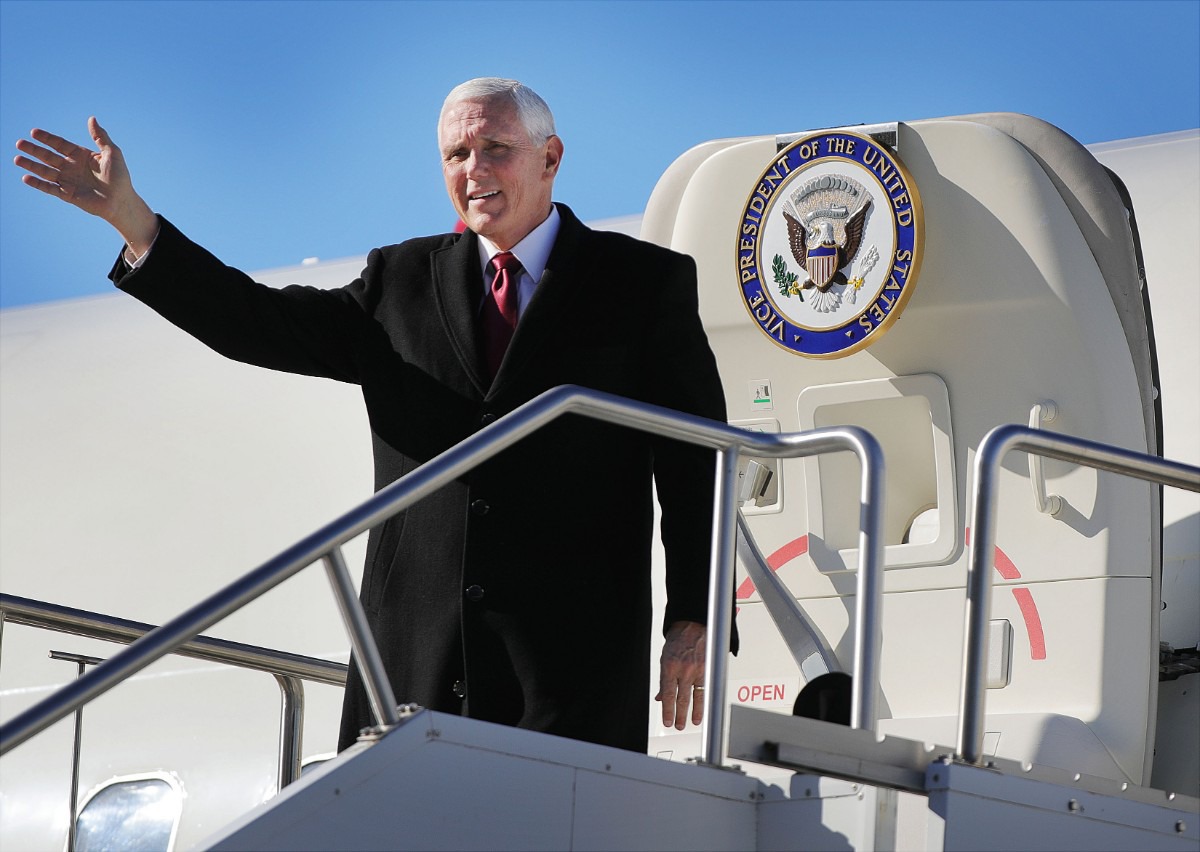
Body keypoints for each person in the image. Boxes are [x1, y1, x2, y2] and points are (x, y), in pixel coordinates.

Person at [13, 77, 729, 754]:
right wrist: (132, 220)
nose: (473, 168)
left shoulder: (641, 285)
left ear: (551, 158)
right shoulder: (400, 282)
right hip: (413, 667)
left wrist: (694, 613)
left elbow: (698, 460)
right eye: (456, 154)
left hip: (570, 665)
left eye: (495, 150)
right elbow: (258, 322)